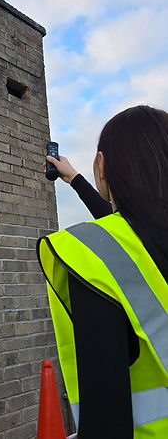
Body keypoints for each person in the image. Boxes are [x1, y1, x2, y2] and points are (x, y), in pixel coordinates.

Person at [37, 105, 168, 439]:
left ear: (102, 165)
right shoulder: (142, 241)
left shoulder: (95, 262)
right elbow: (130, 232)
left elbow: (105, 426)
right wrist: (76, 180)